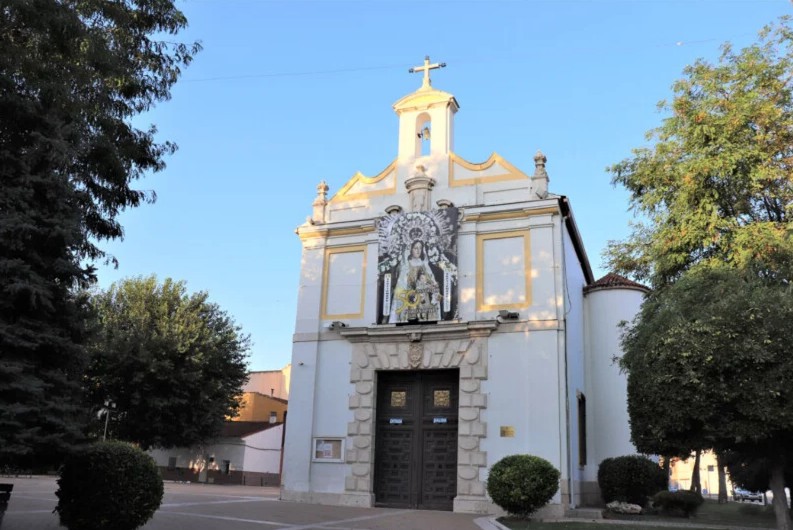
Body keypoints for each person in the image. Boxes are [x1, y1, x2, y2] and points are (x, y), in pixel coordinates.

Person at [389, 240, 441, 323]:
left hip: (424, 298)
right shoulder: (406, 265)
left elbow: (432, 281)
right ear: (411, 249)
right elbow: (402, 283)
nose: (418, 250)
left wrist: (432, 288)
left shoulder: (424, 264)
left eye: (420, 248)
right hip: (411, 298)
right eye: (415, 248)